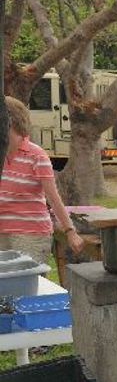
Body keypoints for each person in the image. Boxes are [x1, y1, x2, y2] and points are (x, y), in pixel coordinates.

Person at [1, 96, 84, 264]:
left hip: (30, 235)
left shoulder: (36, 156)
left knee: (26, 286)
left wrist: (70, 231)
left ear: (10, 122)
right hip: (2, 232)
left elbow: (53, 197)